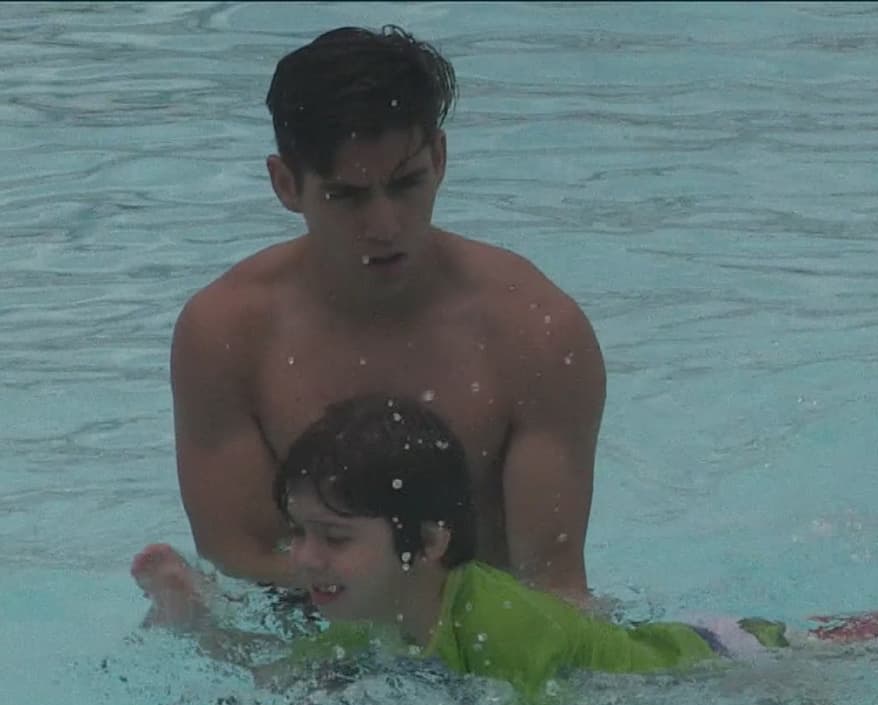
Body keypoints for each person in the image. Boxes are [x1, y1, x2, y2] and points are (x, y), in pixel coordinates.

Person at [133, 394, 878, 705]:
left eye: (335, 536)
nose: (306, 557)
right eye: (300, 532)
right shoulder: (371, 615)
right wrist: (194, 627)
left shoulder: (495, 623)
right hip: (681, 661)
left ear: (427, 543)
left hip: (747, 667)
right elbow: (281, 683)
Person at [169, 25, 604, 604]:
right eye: (346, 196)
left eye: (406, 184)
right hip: (308, 626)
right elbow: (244, 560)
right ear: (286, 184)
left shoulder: (534, 332)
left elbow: (552, 587)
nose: (385, 226)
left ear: (439, 159)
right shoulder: (227, 334)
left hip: (477, 635)